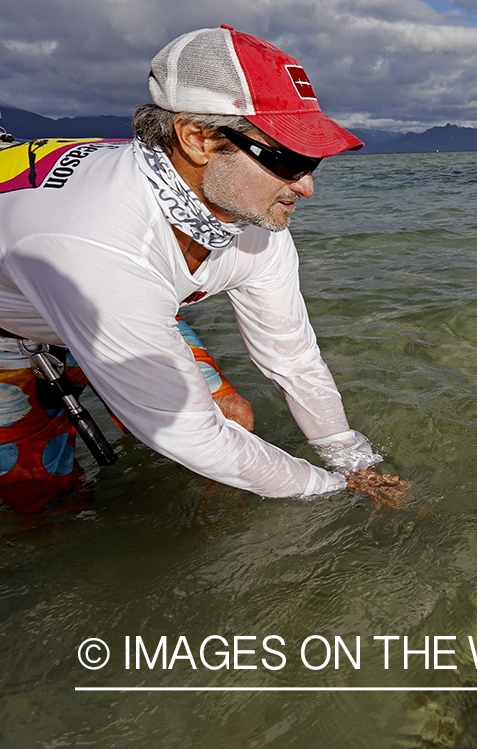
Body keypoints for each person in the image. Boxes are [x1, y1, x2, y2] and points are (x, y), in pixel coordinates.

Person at [0, 26, 405, 512]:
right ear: (197, 139)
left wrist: (355, 464)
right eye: (290, 158)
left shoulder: (251, 216)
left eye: (314, 159)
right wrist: (337, 494)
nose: (307, 187)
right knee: (40, 495)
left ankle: (202, 526)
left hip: (119, 297)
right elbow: (191, 433)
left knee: (232, 416)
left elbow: (294, 361)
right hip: (15, 319)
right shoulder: (102, 239)